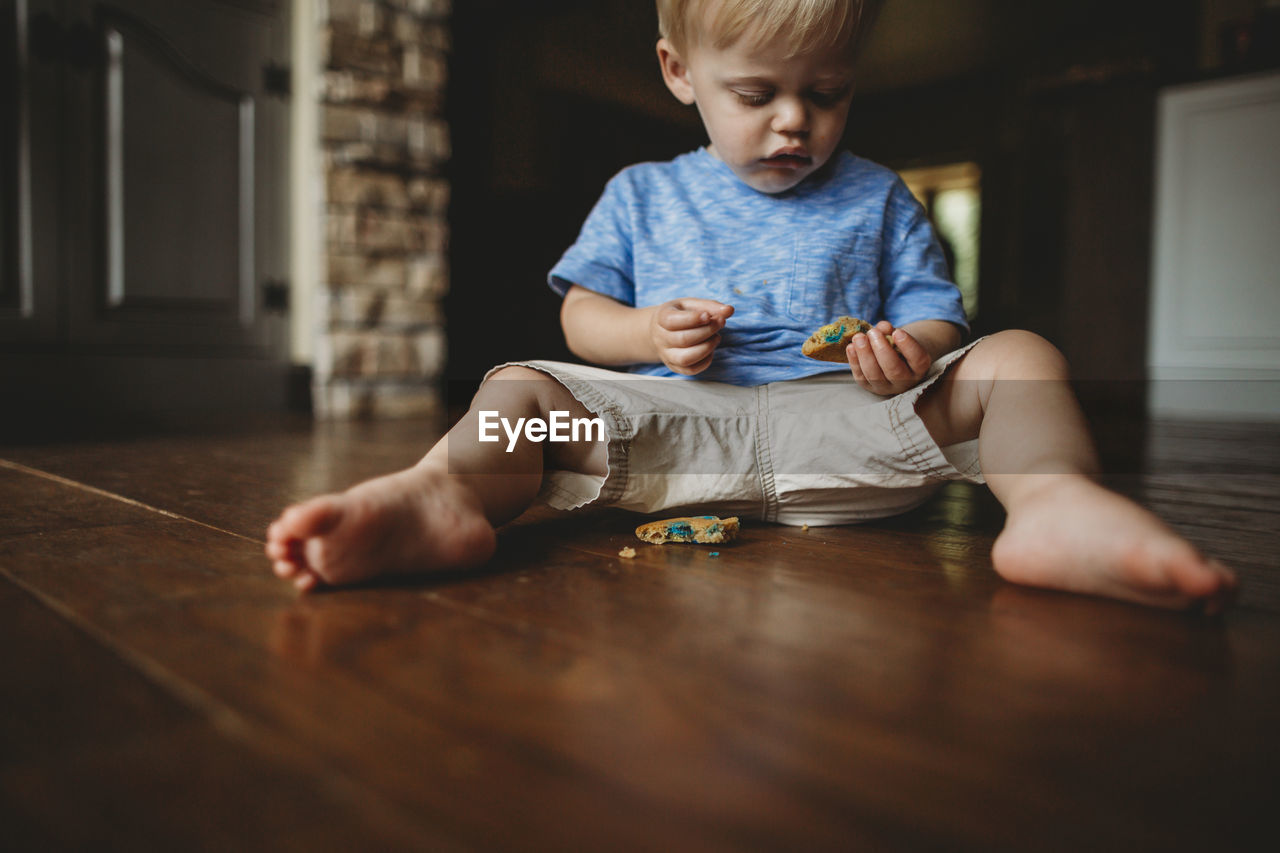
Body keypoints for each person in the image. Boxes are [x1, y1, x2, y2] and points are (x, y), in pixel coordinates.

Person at [266, 0, 1236, 612]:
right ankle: (447, 495)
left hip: (849, 429)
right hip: (662, 432)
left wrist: (909, 350)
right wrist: (644, 333)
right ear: (679, 72)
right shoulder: (642, 192)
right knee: (523, 391)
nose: (792, 121)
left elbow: (942, 319)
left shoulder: (880, 196)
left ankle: (1053, 501)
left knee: (1018, 357)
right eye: (757, 92)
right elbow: (582, 317)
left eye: (826, 93)